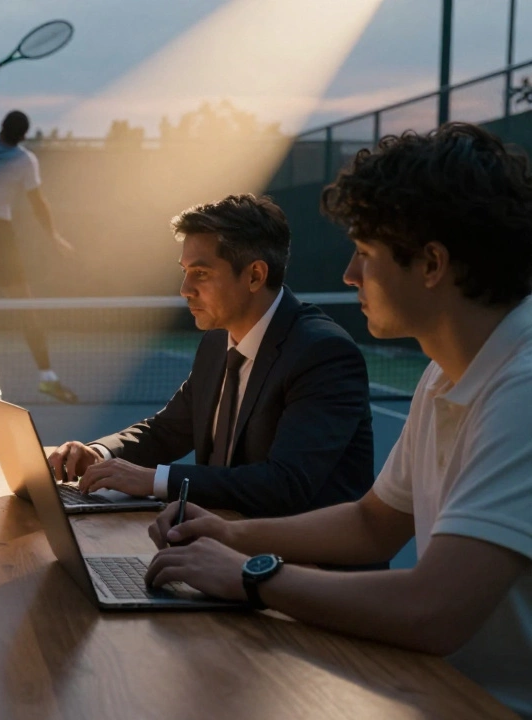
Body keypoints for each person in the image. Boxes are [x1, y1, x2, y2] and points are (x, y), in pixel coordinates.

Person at [143, 124, 532, 718]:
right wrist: (227, 534)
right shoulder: (445, 373)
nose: (349, 275)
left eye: (367, 255)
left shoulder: (523, 387)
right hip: (436, 686)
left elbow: (435, 608)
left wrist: (248, 574)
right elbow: (373, 524)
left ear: (431, 263)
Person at [50, 194, 375, 518]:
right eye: (185, 271)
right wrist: (99, 452)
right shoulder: (217, 342)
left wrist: (154, 480)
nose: (185, 288)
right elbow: (167, 431)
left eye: (201, 273)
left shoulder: (322, 353)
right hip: (225, 545)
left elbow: (285, 484)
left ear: (254, 276)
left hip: (307, 563)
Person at [0, 60, 78, 404]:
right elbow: (39, 204)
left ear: (1, 126)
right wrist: (53, 237)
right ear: (22, 135)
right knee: (26, 305)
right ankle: (47, 376)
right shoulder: (25, 161)